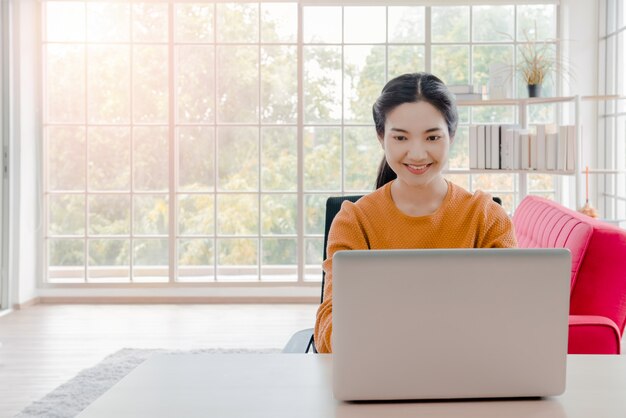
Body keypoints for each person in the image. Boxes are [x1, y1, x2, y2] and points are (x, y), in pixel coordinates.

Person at [313, 72, 517, 354]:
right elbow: (327, 330)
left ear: (452, 136)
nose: (418, 154)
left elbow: (510, 318)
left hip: (468, 367)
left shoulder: (487, 218)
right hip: (377, 368)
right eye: (401, 137)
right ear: (381, 137)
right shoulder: (354, 221)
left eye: (432, 137)